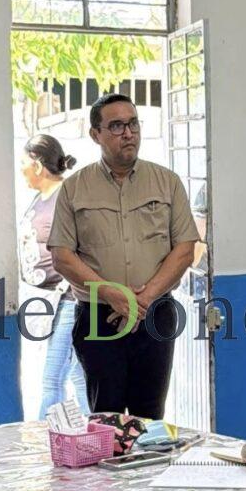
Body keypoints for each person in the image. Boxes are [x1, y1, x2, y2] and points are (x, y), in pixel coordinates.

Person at [48, 94, 199, 419]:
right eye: (116, 126)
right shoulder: (75, 188)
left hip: (154, 314)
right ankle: (107, 471)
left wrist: (141, 300)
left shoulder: (167, 182)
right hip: (99, 317)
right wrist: (111, 293)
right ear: (95, 134)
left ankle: (148, 471)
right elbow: (62, 256)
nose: (128, 133)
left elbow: (185, 248)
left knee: (150, 414)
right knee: (106, 415)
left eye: (132, 124)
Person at [18, 134, 89, 418]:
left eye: (24, 162)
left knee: (53, 377)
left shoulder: (66, 196)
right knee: (77, 374)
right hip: (46, 300)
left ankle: (47, 440)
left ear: (37, 164)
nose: (21, 169)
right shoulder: (40, 197)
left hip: (68, 299)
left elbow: (82, 246)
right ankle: (95, 432)